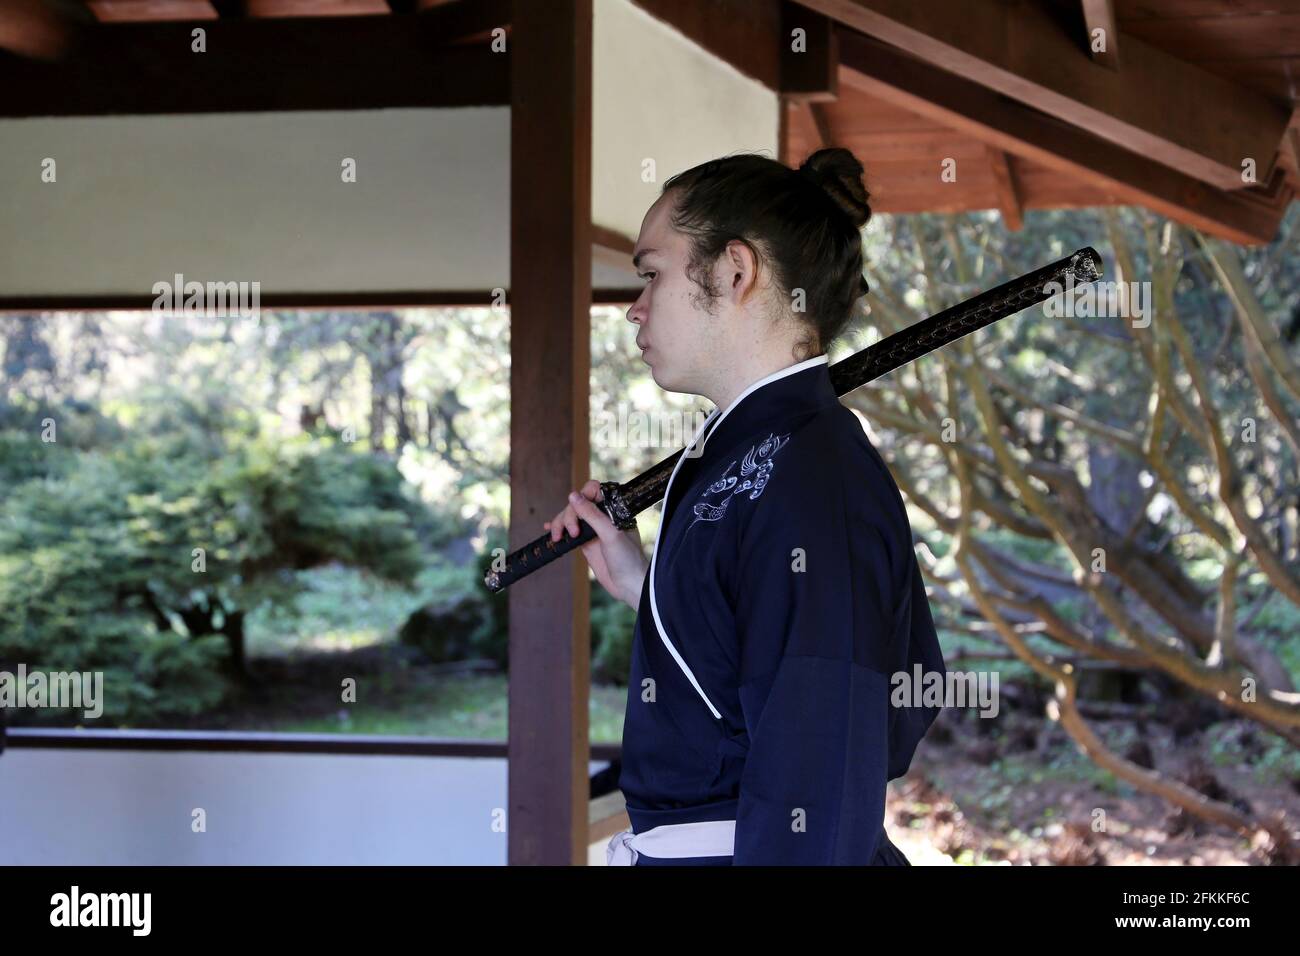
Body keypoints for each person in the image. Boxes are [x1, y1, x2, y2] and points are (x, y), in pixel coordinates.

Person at [544, 148, 945, 865]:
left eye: (651, 274)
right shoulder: (753, 458)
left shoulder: (814, 478)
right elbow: (744, 669)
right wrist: (647, 585)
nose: (634, 308)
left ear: (735, 270)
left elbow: (817, 781)